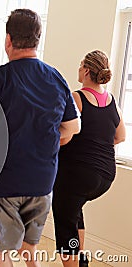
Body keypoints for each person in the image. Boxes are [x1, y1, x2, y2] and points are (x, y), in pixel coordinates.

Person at [0, 9, 81, 267]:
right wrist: (50, 139)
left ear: (8, 40)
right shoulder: (55, 78)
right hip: (41, 183)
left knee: (0, 253)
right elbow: (73, 127)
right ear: (38, 39)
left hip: (1, 183)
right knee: (30, 248)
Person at [52, 50, 126, 267]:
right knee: (75, 210)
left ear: (85, 70)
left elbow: (62, 133)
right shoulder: (113, 102)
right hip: (105, 176)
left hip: (77, 175)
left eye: (80, 64)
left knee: (65, 223)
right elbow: (120, 137)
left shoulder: (77, 97)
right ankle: (81, 261)